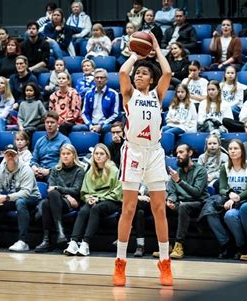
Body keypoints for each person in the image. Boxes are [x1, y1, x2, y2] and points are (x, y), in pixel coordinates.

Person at [113, 32, 173, 287]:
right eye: (138, 73)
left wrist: (156, 49)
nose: (139, 75)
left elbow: (168, 73)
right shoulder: (129, 94)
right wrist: (136, 54)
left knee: (159, 209)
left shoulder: (157, 95)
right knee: (128, 208)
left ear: (151, 79)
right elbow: (123, 74)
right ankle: (120, 263)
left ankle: (165, 262)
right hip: (133, 152)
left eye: (144, 73)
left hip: (155, 152)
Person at [198, 139, 247, 259]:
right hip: (229, 195)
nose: (232, 151)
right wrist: (229, 194)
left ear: (242, 151)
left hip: (245, 198)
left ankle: (241, 246)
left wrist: (234, 199)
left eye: (236, 148)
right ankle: (226, 243)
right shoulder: (225, 167)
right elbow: (222, 188)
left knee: (230, 215)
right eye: (230, 149)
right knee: (208, 211)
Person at [0, 144, 41, 251]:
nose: (10, 157)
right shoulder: (0, 170)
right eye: (8, 154)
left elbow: (26, 193)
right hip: (12, 198)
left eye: (13, 154)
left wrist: (6, 198)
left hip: (31, 198)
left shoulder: (26, 170)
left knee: (20, 202)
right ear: (4, 156)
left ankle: (23, 241)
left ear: (17, 156)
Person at [64, 143, 122, 256]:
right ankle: (74, 242)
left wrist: (99, 198)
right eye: (96, 154)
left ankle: (86, 243)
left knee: (96, 208)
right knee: (84, 210)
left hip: (111, 201)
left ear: (107, 156)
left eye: (101, 154)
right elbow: (84, 191)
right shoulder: (90, 171)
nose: (98, 156)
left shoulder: (114, 170)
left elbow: (117, 192)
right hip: (94, 200)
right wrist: (88, 198)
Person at [35, 144, 85, 253]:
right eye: (63, 154)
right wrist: (66, 194)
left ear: (74, 155)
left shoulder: (79, 170)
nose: (65, 156)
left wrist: (58, 188)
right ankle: (57, 233)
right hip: (61, 199)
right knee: (46, 203)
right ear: (60, 156)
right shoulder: (55, 170)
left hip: (71, 203)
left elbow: (76, 190)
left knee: (49, 200)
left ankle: (47, 239)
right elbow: (50, 190)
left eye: (68, 154)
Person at [164, 144, 209, 259]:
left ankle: (179, 245)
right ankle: (166, 246)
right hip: (181, 203)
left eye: (181, 152)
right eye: (177, 153)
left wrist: (179, 181)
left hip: (198, 204)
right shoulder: (177, 172)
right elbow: (172, 191)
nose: (178, 155)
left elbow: (197, 193)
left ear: (190, 153)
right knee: (162, 206)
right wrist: (170, 200)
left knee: (185, 206)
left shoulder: (201, 170)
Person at [73, 68, 120, 135]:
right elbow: (84, 113)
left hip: (106, 124)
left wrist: (101, 125)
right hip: (91, 124)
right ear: (94, 80)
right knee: (75, 128)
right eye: (97, 78)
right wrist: (90, 125)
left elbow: (115, 114)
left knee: (105, 128)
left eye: (102, 78)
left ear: (106, 80)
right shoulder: (88, 93)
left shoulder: (113, 94)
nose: (99, 80)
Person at [30, 111, 70, 181]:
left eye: (52, 122)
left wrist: (49, 171)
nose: (49, 125)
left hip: (56, 173)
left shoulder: (64, 141)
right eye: (47, 122)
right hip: (39, 172)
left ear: (57, 124)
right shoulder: (40, 141)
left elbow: (66, 162)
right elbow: (34, 160)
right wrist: (34, 168)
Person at [48, 71, 83, 136]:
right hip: (56, 121)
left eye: (63, 78)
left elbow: (75, 112)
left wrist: (61, 121)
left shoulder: (74, 93)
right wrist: (56, 122)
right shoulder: (53, 95)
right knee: (42, 127)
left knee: (63, 126)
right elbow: (51, 112)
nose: (61, 80)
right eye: (59, 78)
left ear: (68, 81)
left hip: (72, 121)